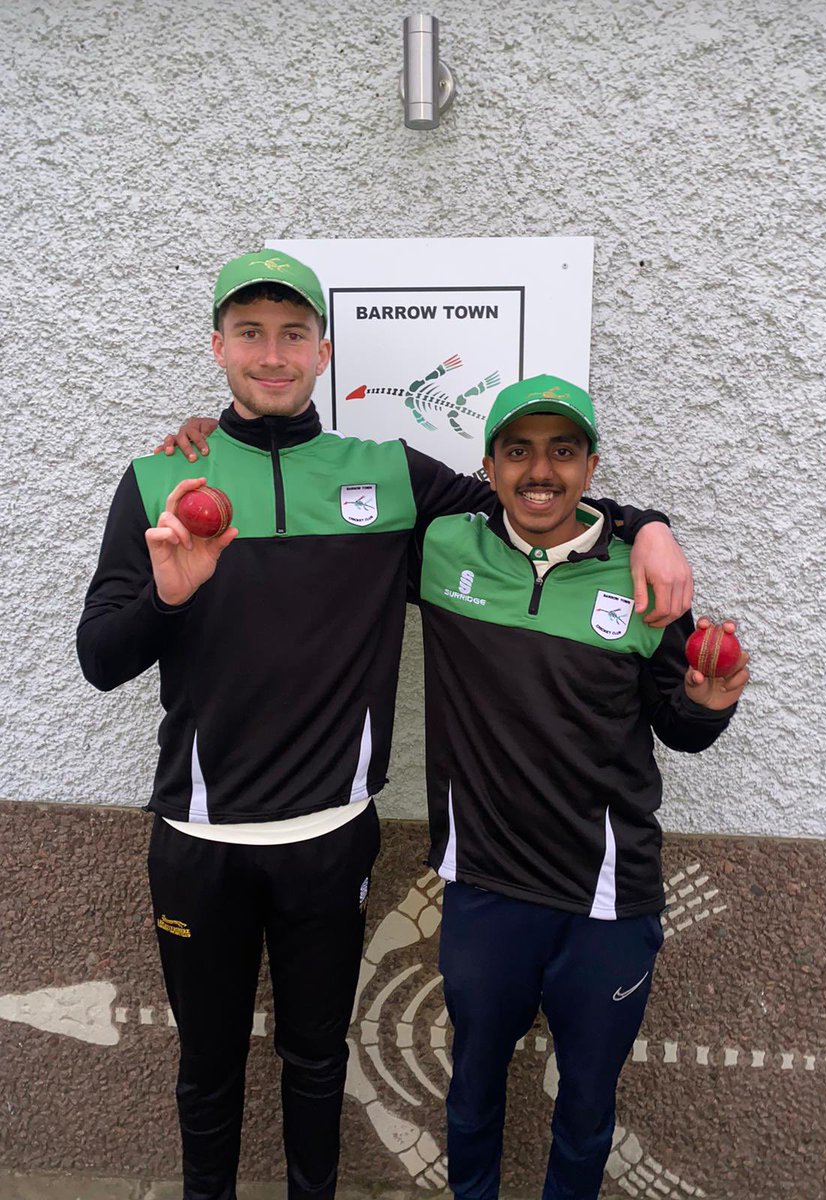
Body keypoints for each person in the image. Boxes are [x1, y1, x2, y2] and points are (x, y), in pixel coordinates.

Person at [77, 250, 694, 1200]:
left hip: (331, 835)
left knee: (317, 1062)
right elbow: (99, 657)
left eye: (293, 334)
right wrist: (166, 600)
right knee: (206, 1070)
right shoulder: (162, 475)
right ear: (218, 346)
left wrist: (648, 523)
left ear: (325, 350)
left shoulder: (388, 475)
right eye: (250, 333)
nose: (271, 355)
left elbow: (529, 512)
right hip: (198, 839)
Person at [411, 375, 749, 1200]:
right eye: (519, 451)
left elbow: (678, 726)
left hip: (607, 901)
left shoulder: (641, 583)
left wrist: (709, 705)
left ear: (591, 465)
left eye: (563, 452)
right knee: (471, 1096)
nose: (540, 472)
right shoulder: (442, 547)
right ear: (487, 466)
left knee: (587, 1110)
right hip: (486, 891)